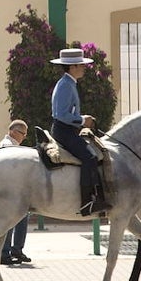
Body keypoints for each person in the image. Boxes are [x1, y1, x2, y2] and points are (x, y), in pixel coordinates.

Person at [50, 48, 110, 216]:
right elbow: (60, 114)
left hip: (68, 130)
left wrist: (82, 118)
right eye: (82, 65)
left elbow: (68, 113)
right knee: (89, 157)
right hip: (64, 131)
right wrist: (83, 121)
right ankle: (87, 202)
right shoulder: (65, 85)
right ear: (73, 67)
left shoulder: (68, 83)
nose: (84, 68)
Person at [0, 119, 31, 265]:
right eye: (22, 133)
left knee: (22, 219)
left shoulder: (13, 145)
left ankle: (16, 249)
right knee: (11, 221)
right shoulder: (7, 146)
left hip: (15, 190)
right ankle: (4, 253)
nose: (24, 137)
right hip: (9, 191)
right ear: (13, 132)